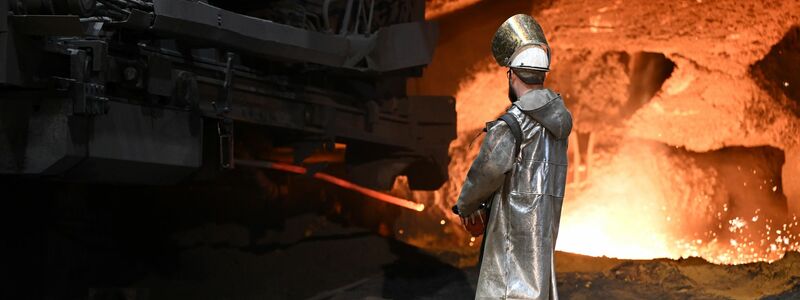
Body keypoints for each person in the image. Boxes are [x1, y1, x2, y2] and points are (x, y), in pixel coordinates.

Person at [454, 14, 573, 300]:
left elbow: (485, 173)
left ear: (513, 75)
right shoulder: (559, 124)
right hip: (541, 245)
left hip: (510, 249)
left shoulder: (511, 125)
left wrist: (465, 205)